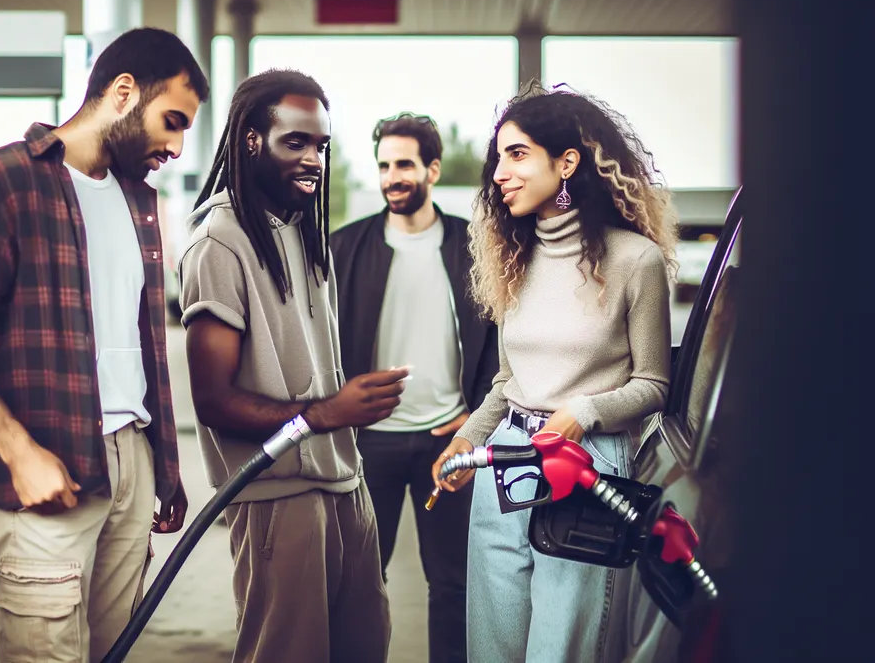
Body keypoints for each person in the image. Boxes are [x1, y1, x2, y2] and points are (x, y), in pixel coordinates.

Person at [0, 27, 209, 663]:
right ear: (124, 92)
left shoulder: (138, 203)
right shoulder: (0, 182)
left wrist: (161, 470)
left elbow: (139, 344)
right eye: (172, 121)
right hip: (50, 467)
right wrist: (19, 454)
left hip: (132, 466)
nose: (178, 147)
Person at [430, 81, 679, 663]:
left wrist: (583, 413)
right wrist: (468, 441)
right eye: (499, 158)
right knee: (491, 642)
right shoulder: (513, 258)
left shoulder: (634, 261)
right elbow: (507, 381)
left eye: (517, 154)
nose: (500, 173)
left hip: (586, 464)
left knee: (558, 648)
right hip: (507, 456)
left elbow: (655, 385)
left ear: (566, 162)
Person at [178, 68, 407, 663]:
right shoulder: (218, 244)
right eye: (296, 143)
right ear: (251, 140)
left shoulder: (306, 233)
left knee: (365, 649)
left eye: (321, 146)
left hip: (344, 483)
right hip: (279, 497)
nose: (313, 159)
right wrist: (329, 411)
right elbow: (213, 399)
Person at [330, 111, 499, 663]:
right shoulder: (344, 248)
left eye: (404, 164)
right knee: (357, 586)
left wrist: (475, 414)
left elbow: (503, 336)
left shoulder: (474, 247)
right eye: (383, 165)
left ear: (432, 168)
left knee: (452, 587)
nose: (391, 177)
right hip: (368, 441)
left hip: (445, 442)